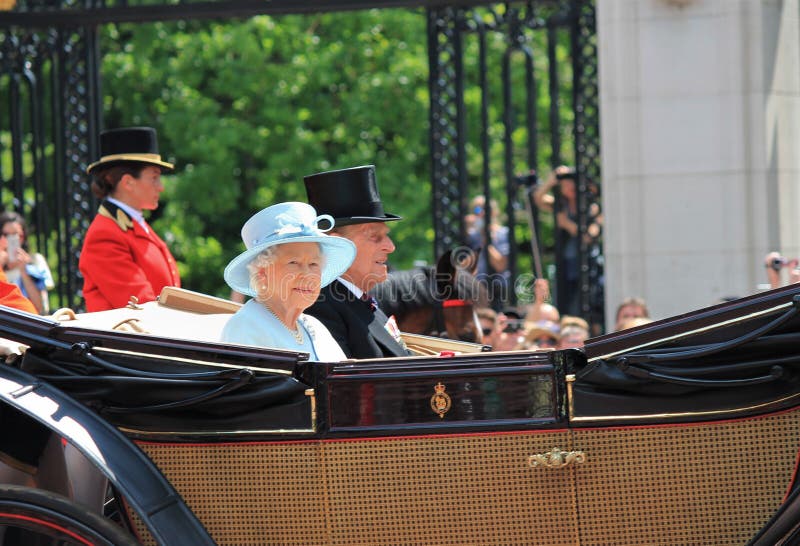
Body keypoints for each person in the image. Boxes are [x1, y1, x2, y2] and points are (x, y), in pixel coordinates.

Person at [220, 202, 355, 360]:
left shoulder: (314, 327)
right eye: (294, 263)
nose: (307, 275)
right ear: (262, 272)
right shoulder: (246, 327)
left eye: (313, 264)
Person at [303, 165, 410, 359]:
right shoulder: (319, 306)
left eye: (386, 236)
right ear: (337, 245)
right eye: (375, 237)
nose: (390, 246)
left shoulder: (361, 302)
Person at [79, 126, 181, 312]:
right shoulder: (105, 234)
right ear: (128, 182)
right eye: (154, 177)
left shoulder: (132, 225)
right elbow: (141, 307)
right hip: (129, 339)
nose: (160, 187)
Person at [0, 211, 54, 314]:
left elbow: (40, 308)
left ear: (23, 236)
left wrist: (24, 271)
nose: (11, 239)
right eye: (6, 235)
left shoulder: (35, 261)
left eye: (16, 234)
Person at [466, 195, 511, 310]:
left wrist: (486, 242)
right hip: (475, 291)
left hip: (498, 291)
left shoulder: (504, 233)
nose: (481, 213)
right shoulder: (470, 236)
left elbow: (501, 265)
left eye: (486, 209)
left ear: (495, 212)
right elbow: (463, 267)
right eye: (477, 210)